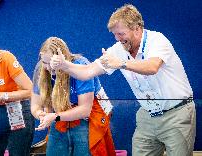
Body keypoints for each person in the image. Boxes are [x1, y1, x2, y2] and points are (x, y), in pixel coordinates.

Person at [50, 4, 196, 156]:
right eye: (114, 34)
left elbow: (152, 67)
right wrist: (64, 65)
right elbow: (88, 72)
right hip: (148, 115)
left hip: (176, 113)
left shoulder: (157, 40)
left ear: (137, 29)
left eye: (121, 34)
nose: (117, 39)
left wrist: (121, 63)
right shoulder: (118, 49)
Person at [31, 37, 116, 156]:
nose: (49, 68)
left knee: (86, 149)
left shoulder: (80, 66)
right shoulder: (40, 68)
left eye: (52, 63)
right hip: (58, 115)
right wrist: (41, 114)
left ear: (63, 58)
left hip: (88, 115)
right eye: (45, 63)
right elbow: (35, 104)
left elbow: (85, 110)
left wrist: (54, 117)